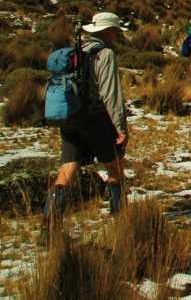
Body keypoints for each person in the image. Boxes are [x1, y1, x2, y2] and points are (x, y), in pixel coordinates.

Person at [44, 12, 129, 228]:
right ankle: (120, 221)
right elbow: (110, 94)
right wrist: (120, 128)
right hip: (96, 119)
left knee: (67, 170)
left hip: (71, 118)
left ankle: (49, 224)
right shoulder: (105, 54)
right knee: (114, 168)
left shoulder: (76, 50)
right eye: (115, 31)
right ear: (108, 31)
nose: (117, 35)